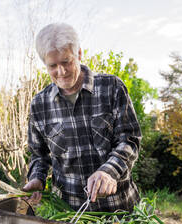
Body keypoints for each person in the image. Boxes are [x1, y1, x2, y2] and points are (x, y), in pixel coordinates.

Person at [22, 23, 142, 212]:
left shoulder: (112, 88)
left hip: (119, 208)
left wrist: (108, 171)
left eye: (66, 62)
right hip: (70, 213)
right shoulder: (39, 104)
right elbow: (39, 155)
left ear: (78, 54)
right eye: (53, 66)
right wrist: (37, 178)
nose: (61, 72)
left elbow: (130, 140)